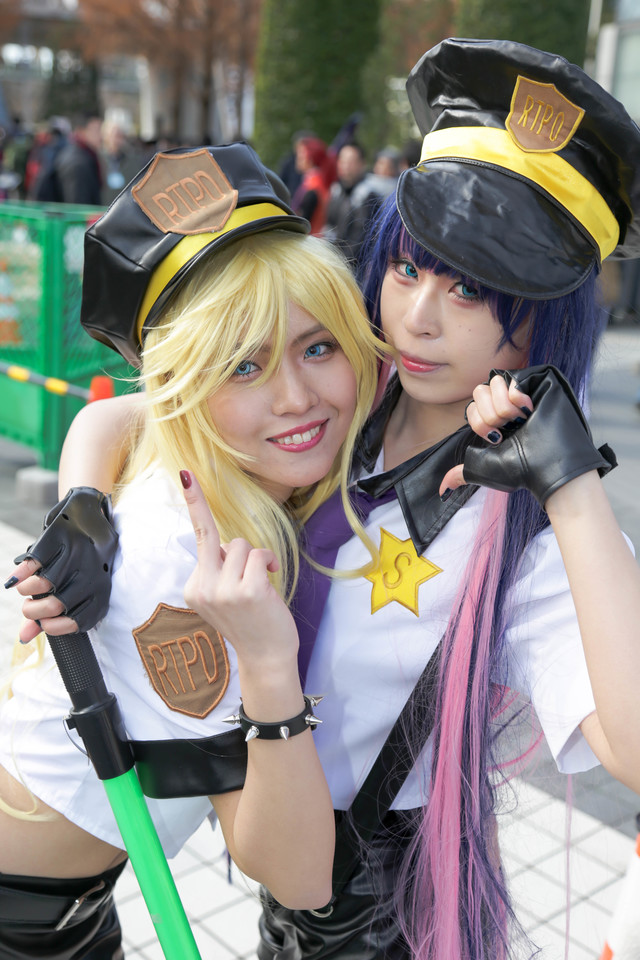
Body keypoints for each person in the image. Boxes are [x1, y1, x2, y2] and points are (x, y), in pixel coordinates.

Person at [9, 39, 640, 959]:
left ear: (543, 312)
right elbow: (145, 411)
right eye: (408, 268)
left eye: (472, 289)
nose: (419, 317)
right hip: (267, 875)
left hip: (377, 907)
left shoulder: (532, 536)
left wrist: (575, 491)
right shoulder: (340, 390)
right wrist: (82, 504)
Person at [0, 141, 382, 960]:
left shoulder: (210, 460)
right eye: (243, 366)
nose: (296, 397)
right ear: (189, 386)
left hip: (59, 900)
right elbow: (298, 877)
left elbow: (115, 415)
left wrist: (82, 501)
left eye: (318, 347)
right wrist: (269, 666)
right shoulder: (188, 557)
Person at [53, 111, 103, 206]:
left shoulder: (83, 155)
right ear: (81, 131)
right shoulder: (78, 163)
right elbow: (78, 205)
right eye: (97, 130)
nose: (101, 135)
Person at [290, 136, 335, 235]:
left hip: (311, 236)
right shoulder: (313, 181)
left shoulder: (313, 186)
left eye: (301, 153)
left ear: (310, 158)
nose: (298, 157)